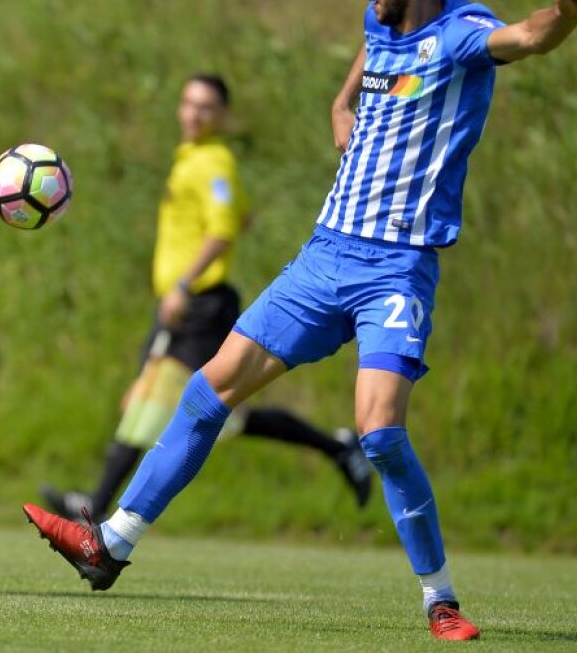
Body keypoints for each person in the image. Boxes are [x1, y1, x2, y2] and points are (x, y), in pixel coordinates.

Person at [23, 0, 577, 641]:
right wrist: (339, 101)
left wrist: (568, 13)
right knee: (207, 390)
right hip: (324, 256)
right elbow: (366, 55)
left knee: (380, 432)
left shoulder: (459, 36)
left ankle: (439, 599)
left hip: (396, 267)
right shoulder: (378, 19)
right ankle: (109, 543)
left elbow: (529, 36)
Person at [39, 74, 371, 525]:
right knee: (221, 412)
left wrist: (183, 284)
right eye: (188, 103)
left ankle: (96, 509)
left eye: (207, 107)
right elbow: (241, 214)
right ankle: (338, 447)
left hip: (199, 305)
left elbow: (223, 228)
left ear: (224, 116)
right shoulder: (193, 158)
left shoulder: (213, 162)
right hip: (182, 307)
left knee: (152, 402)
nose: (194, 113)